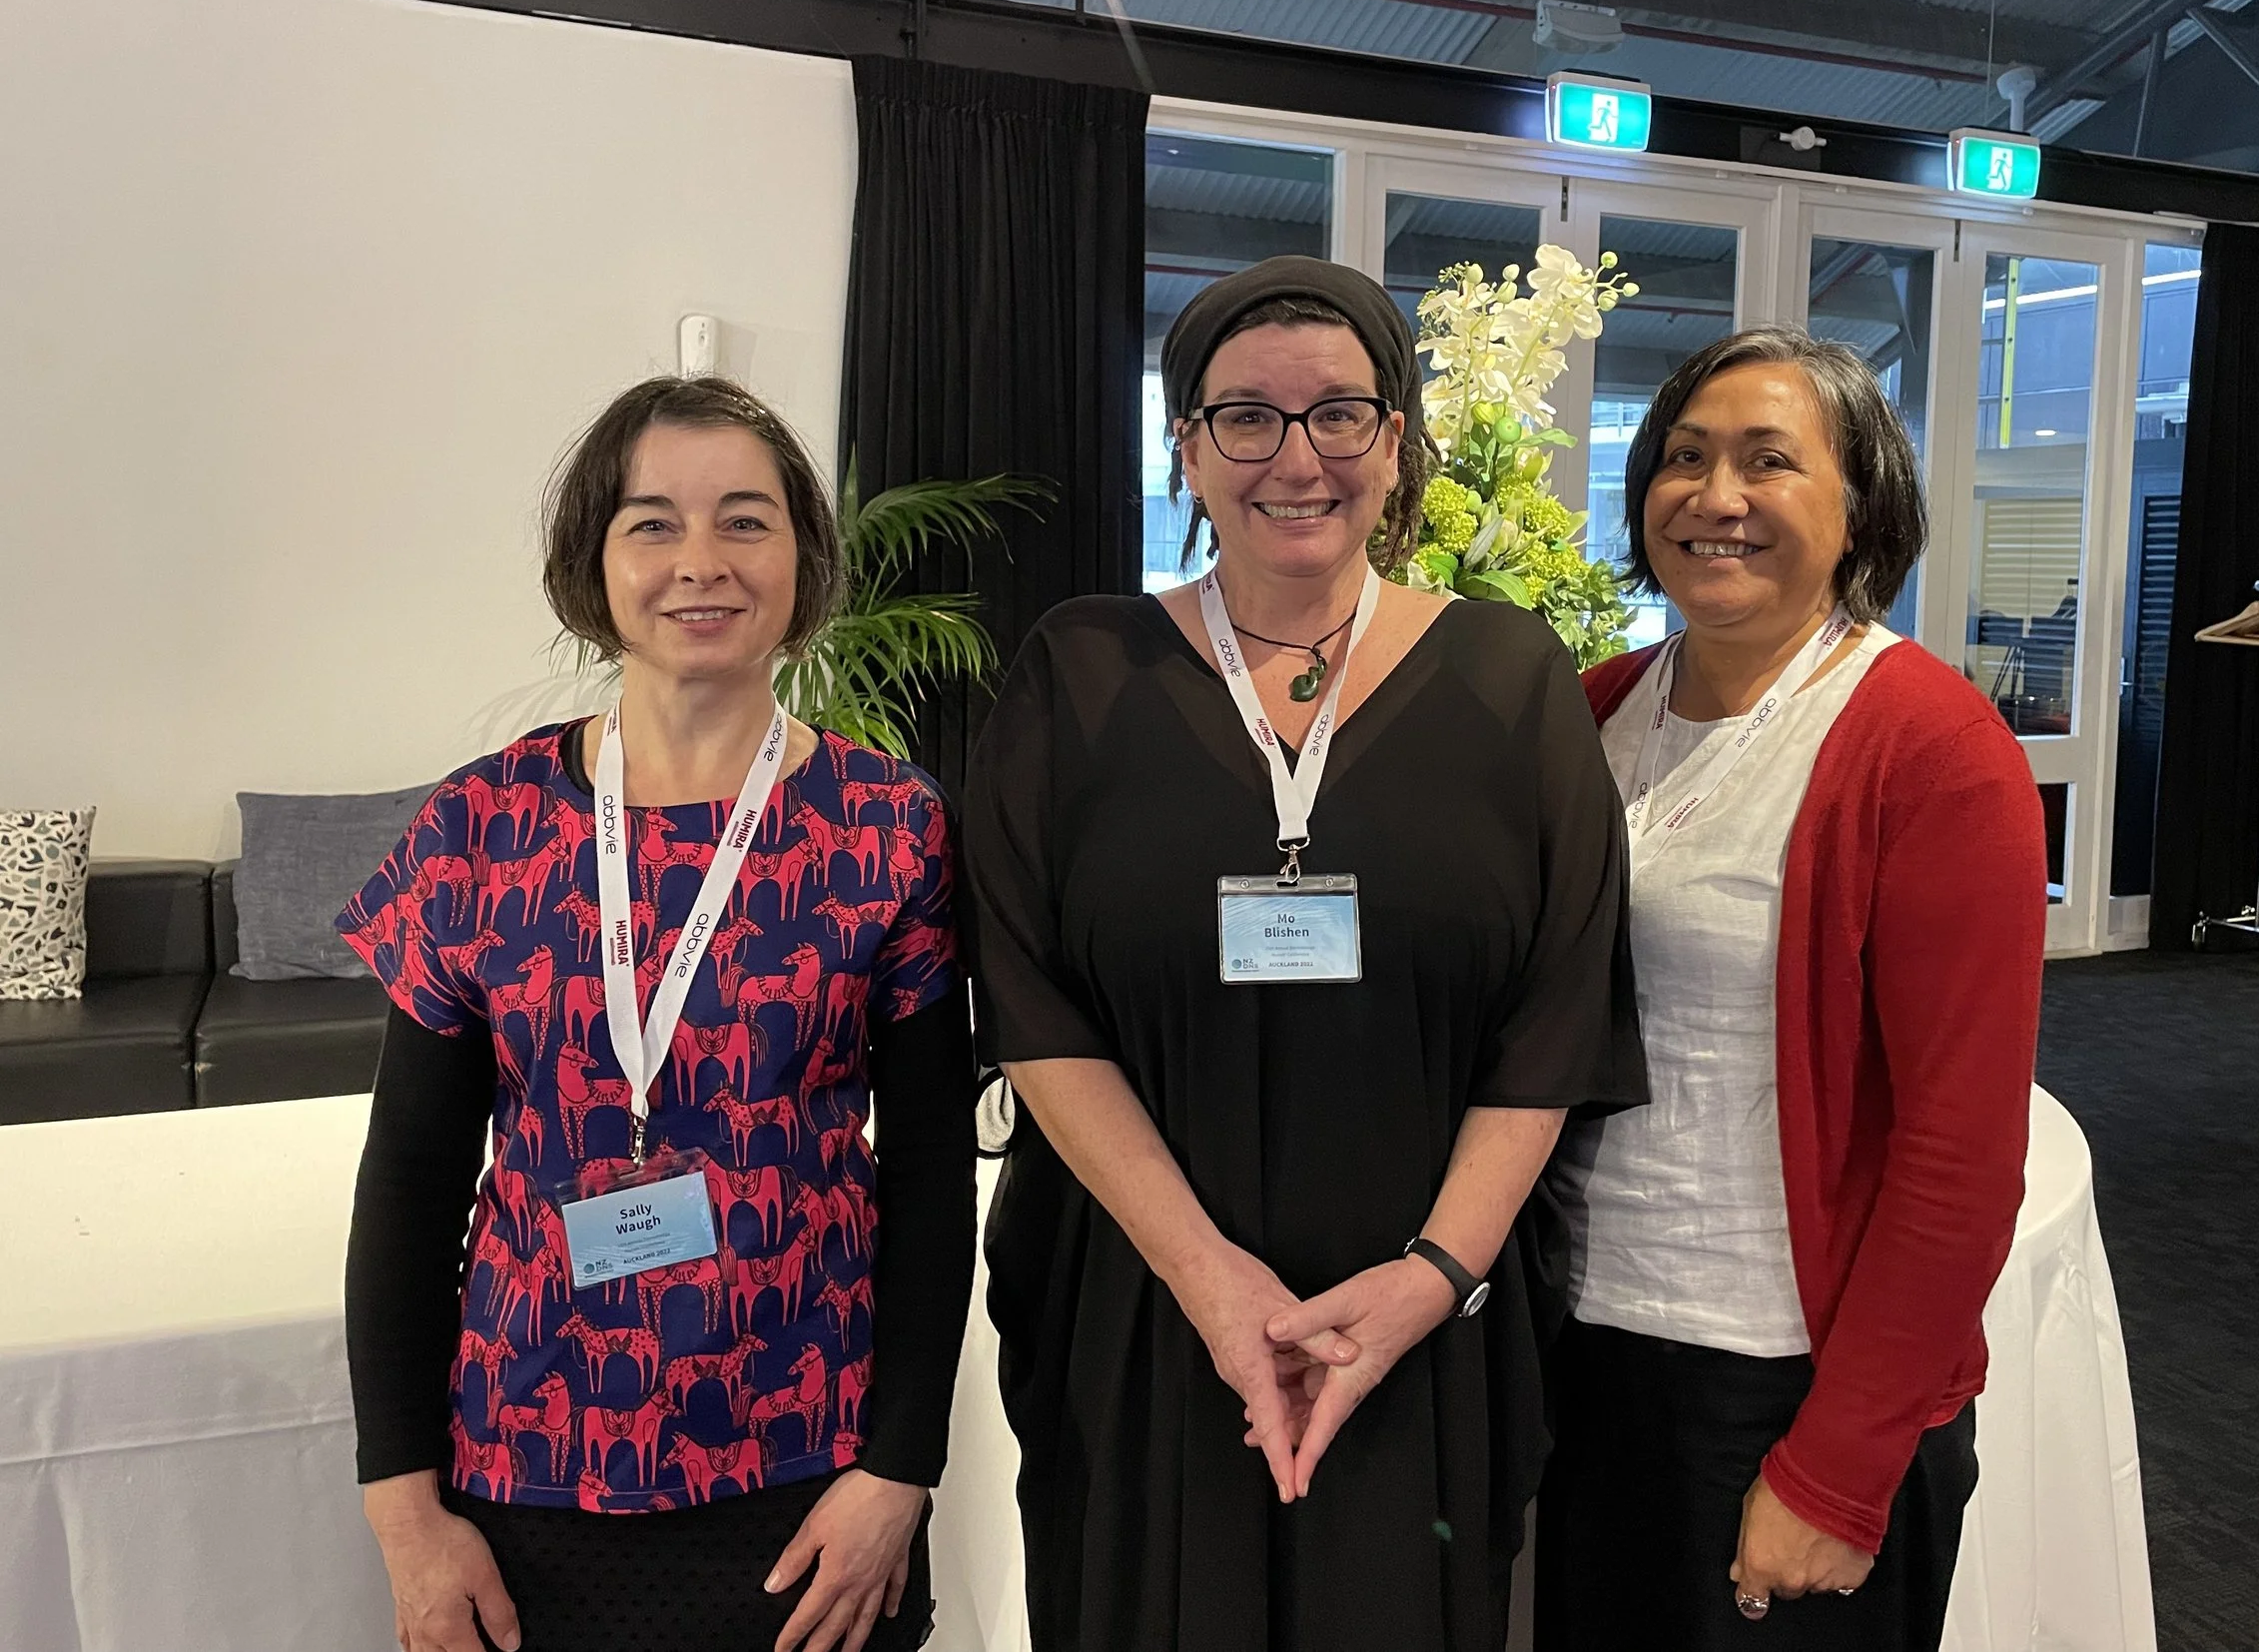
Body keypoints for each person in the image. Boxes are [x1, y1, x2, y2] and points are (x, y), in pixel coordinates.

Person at [960, 256, 1645, 1652]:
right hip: (1142, 1308)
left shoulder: (1513, 680)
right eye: (1247, 418)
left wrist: (1430, 1278)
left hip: (1420, 1320)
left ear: (1397, 444)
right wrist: (1212, 1281)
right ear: (1189, 448)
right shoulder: (1081, 671)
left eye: (1341, 413)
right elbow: (1030, 1002)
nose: (1297, 457)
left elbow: (1559, 1014)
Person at [339, 377, 975, 1652]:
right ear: (594, 556)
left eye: (746, 521)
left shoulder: (889, 826)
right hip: (525, 1461)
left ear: (805, 555)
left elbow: (931, 1169)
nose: (702, 562)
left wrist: (898, 1473)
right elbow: (409, 1176)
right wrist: (408, 1515)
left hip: (813, 1471)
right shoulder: (482, 827)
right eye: (652, 523)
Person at [1538, 328, 2046, 1652]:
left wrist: (1840, 1462)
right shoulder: (1594, 711)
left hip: (1780, 1380)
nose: (1717, 496)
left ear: (1860, 508)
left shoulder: (1928, 743)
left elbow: (1962, 1149)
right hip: (1585, 1353)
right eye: (1686, 459)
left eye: (1771, 462)